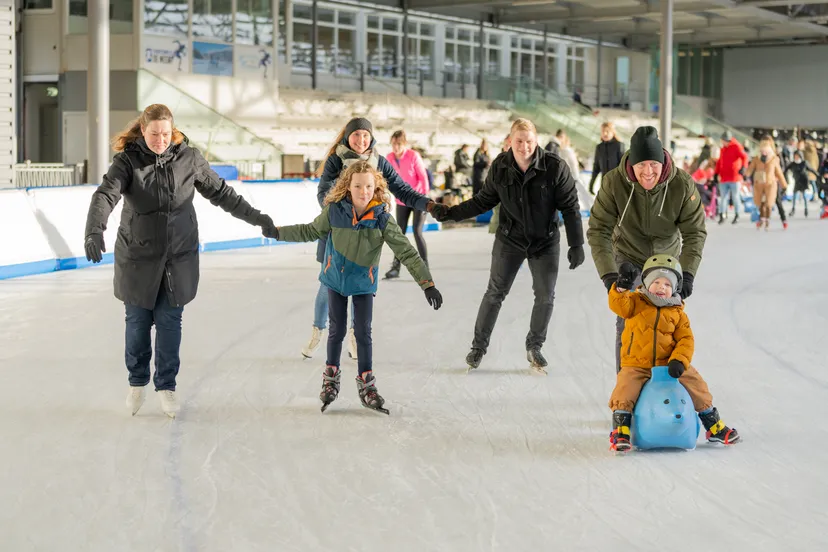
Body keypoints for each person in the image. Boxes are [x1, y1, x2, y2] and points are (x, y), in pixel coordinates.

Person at [83, 104, 276, 418]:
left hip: (178, 258)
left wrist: (257, 218)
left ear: (172, 131)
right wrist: (94, 230)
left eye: (165, 134)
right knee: (138, 323)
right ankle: (137, 381)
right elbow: (105, 195)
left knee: (170, 323)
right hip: (137, 256)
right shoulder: (128, 162)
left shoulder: (189, 159)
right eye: (154, 134)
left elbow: (222, 193)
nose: (160, 140)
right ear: (143, 131)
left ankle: (167, 386)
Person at [264, 162, 442, 414]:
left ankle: (367, 385)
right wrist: (278, 232)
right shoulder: (334, 211)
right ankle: (330, 379)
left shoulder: (382, 219)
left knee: (362, 333)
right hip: (335, 279)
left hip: (362, 283)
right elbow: (310, 230)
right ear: (348, 186)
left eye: (368, 186)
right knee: (336, 330)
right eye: (358, 186)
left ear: (375, 187)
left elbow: (406, 251)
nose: (363, 191)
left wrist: (427, 283)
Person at [432, 118, 585, 374]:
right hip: (510, 239)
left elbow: (570, 206)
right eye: (519, 141)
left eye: (529, 141)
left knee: (545, 295)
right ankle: (478, 347)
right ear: (510, 141)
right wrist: (451, 213)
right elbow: (483, 201)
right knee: (495, 292)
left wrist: (576, 243)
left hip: (545, 241)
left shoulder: (554, 167)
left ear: (536, 141)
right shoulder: (500, 166)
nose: (524, 147)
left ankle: (534, 346)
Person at [302, 118, 441, 361]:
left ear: (371, 137)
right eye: (356, 134)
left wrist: (427, 204)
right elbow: (323, 193)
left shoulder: (379, 161)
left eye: (365, 135)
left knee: (359, 285)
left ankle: (354, 337)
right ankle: (317, 330)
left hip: (365, 235)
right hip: (337, 233)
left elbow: (402, 189)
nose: (361, 140)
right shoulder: (336, 159)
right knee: (328, 286)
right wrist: (341, 212)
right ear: (348, 136)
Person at [587, 126, 707, 374]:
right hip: (628, 256)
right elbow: (599, 230)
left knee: (668, 324)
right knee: (629, 320)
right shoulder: (614, 182)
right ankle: (627, 385)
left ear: (662, 161)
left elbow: (695, 232)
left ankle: (661, 385)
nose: (648, 171)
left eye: (653, 164)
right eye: (641, 164)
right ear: (632, 162)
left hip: (666, 261)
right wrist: (610, 275)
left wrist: (687, 273)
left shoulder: (681, 184)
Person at [607, 255, 740, 452]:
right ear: (646, 283)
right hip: (637, 364)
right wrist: (621, 287)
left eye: (667, 284)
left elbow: (686, 340)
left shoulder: (678, 313)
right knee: (625, 389)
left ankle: (713, 425)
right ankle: (621, 431)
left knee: (697, 385)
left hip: (668, 365)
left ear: (675, 288)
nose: (661, 287)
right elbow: (618, 305)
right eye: (656, 282)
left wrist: (679, 360)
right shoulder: (635, 302)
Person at [384, 130, 431, 280]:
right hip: (401, 200)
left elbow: (423, 178)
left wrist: (424, 200)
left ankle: (424, 268)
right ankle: (395, 268)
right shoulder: (389, 158)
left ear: (404, 144)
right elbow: (386, 178)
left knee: (417, 232)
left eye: (399, 144)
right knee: (399, 234)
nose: (396, 147)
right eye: (393, 144)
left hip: (418, 198)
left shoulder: (413, 156)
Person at [746, 136, 788, 230]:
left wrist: (783, 184)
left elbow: (780, 171)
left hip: (772, 183)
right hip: (760, 183)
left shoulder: (774, 157)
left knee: (773, 202)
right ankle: (762, 219)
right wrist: (746, 175)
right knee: (761, 203)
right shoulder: (757, 158)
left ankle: (782, 219)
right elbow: (750, 168)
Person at [713, 131, 749, 225]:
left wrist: (743, 167)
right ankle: (722, 215)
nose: (722, 142)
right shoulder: (723, 149)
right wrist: (716, 173)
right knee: (723, 197)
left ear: (727, 140)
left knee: (735, 197)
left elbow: (745, 157)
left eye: (723, 141)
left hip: (734, 177)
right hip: (724, 177)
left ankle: (737, 215)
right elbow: (720, 162)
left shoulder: (737, 146)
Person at [588, 122, 624, 195]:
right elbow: (596, 166)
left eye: (607, 131)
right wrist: (591, 184)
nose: (605, 133)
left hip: (617, 184)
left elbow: (623, 165)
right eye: (603, 131)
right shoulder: (599, 147)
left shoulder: (619, 145)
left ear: (613, 132)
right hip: (604, 183)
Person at [786, 150, 820, 218]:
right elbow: (786, 169)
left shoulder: (804, 163)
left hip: (803, 181)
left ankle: (806, 209)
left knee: (804, 195)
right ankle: (793, 209)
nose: (796, 157)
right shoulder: (793, 164)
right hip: (797, 181)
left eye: (797, 156)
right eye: (795, 156)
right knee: (794, 195)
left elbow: (811, 169)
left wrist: (818, 175)